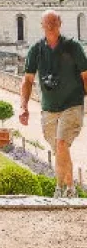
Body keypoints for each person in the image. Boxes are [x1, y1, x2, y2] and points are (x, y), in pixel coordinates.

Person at [20, 10, 87, 197]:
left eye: (54, 22)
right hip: (48, 108)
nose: (50, 26)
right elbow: (27, 80)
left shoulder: (73, 47)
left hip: (72, 104)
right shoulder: (36, 50)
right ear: (42, 25)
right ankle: (71, 188)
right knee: (60, 149)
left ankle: (59, 188)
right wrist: (23, 106)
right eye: (47, 23)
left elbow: (85, 76)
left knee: (61, 144)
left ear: (60, 23)